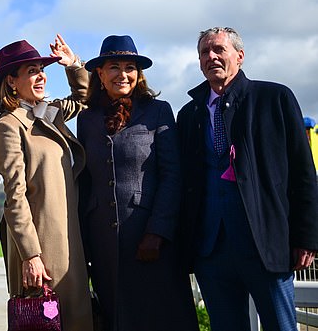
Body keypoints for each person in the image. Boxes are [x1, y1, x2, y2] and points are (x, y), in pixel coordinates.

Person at [177, 27, 318, 330]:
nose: (211, 56)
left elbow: (303, 172)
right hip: (211, 250)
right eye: (205, 52)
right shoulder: (189, 114)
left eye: (219, 49)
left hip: (265, 245)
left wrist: (306, 237)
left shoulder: (275, 98)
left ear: (239, 56)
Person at [78, 35, 199, 331]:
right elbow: (85, 180)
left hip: (148, 239)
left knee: (160, 317)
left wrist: (157, 232)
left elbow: (173, 175)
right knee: (116, 318)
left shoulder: (158, 111)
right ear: (100, 73)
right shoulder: (86, 117)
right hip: (102, 243)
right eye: (114, 67)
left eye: (130, 67)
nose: (123, 74)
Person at [0, 36, 93, 331]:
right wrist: (31, 255)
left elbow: (85, 98)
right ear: (11, 81)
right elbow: (15, 197)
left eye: (41, 69)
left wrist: (73, 65)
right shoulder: (9, 125)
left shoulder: (48, 113)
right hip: (44, 247)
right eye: (32, 70)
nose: (41, 75)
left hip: (70, 237)